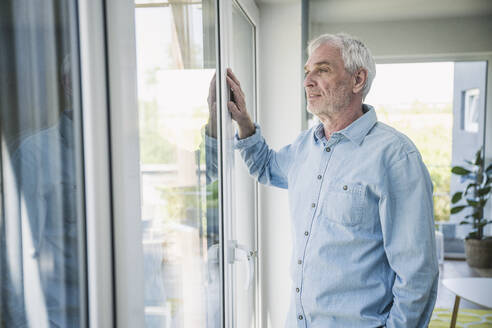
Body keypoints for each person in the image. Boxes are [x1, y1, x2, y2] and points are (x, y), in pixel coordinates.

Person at [223, 33, 439, 327]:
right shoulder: (304, 147)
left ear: (357, 80)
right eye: (307, 72)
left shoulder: (396, 156)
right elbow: (266, 166)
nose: (307, 81)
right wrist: (244, 122)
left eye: (322, 70)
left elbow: (418, 274)